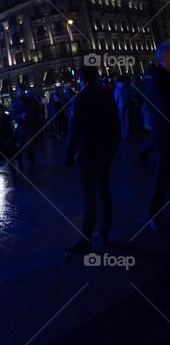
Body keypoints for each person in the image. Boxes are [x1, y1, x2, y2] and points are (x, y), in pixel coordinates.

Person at [65, 65, 121, 253]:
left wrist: (68, 155)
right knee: (104, 192)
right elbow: (116, 125)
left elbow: (75, 129)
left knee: (89, 197)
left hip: (88, 153)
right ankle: (104, 233)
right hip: (105, 152)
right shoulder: (106, 94)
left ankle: (85, 240)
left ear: (81, 78)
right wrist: (113, 149)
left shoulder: (81, 98)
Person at [146, 43, 170, 230]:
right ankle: (153, 215)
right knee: (162, 177)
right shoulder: (158, 80)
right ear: (165, 57)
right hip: (165, 136)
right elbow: (164, 106)